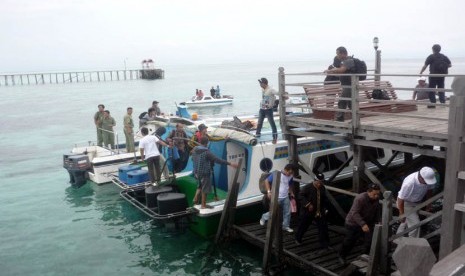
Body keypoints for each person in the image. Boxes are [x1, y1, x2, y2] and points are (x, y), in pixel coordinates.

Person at [338, 183, 381, 265]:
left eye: (377, 194)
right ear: (369, 192)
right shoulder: (360, 199)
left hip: (368, 221)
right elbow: (355, 213)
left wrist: (378, 220)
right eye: (374, 194)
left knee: (370, 240)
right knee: (350, 241)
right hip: (353, 222)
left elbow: (377, 211)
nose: (376, 196)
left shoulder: (376, 199)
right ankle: (342, 255)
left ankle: (363, 256)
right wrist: (362, 224)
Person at [192, 136, 238, 209]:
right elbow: (217, 160)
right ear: (207, 143)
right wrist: (231, 163)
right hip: (205, 172)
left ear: (200, 142)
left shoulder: (194, 150)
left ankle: (195, 198)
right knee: (205, 189)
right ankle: (203, 205)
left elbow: (193, 159)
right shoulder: (207, 152)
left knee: (200, 185)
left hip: (196, 172)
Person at [190, 123, 227, 203]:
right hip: (197, 155)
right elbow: (190, 143)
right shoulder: (196, 136)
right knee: (199, 173)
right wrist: (196, 147)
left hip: (203, 155)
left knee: (201, 176)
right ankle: (201, 200)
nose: (206, 130)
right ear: (201, 130)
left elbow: (213, 139)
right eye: (205, 129)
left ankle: (196, 197)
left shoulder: (206, 136)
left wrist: (223, 138)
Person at [396, 167, 437, 238]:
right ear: (421, 178)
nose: (428, 183)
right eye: (426, 181)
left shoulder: (427, 179)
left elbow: (429, 190)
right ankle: (412, 243)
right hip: (406, 202)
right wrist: (401, 214)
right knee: (415, 224)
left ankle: (397, 238)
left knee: (407, 221)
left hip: (418, 201)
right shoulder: (409, 182)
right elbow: (400, 199)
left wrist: (429, 204)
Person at [295, 173, 330, 248]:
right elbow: (300, 196)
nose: (320, 184)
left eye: (321, 182)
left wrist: (325, 208)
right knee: (303, 226)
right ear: (315, 180)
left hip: (319, 211)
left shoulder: (322, 188)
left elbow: (324, 199)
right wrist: (307, 204)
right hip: (308, 212)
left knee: (323, 227)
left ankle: (324, 244)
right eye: (318, 182)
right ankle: (298, 239)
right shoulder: (307, 187)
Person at [259, 164, 295, 233]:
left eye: (292, 173)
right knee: (273, 212)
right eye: (289, 172)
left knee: (287, 212)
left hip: (285, 196)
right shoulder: (276, 173)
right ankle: (264, 217)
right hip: (276, 197)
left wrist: (291, 192)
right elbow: (266, 181)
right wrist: (269, 192)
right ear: (286, 170)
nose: (290, 174)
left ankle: (285, 226)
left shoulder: (290, 176)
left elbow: (290, 185)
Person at [324, 46, 355, 122]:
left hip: (349, 85)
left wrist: (330, 71)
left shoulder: (349, 60)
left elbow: (342, 70)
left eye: (338, 54)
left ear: (343, 54)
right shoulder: (345, 61)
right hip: (347, 85)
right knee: (350, 103)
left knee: (342, 101)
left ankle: (339, 119)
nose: (337, 56)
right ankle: (355, 119)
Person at [256, 77, 278, 144]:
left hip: (268, 109)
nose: (260, 85)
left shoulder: (271, 89)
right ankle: (257, 135)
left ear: (264, 83)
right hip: (262, 109)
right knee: (259, 122)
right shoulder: (263, 89)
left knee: (272, 123)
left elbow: (277, 93)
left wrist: (284, 94)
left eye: (261, 83)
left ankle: (275, 137)